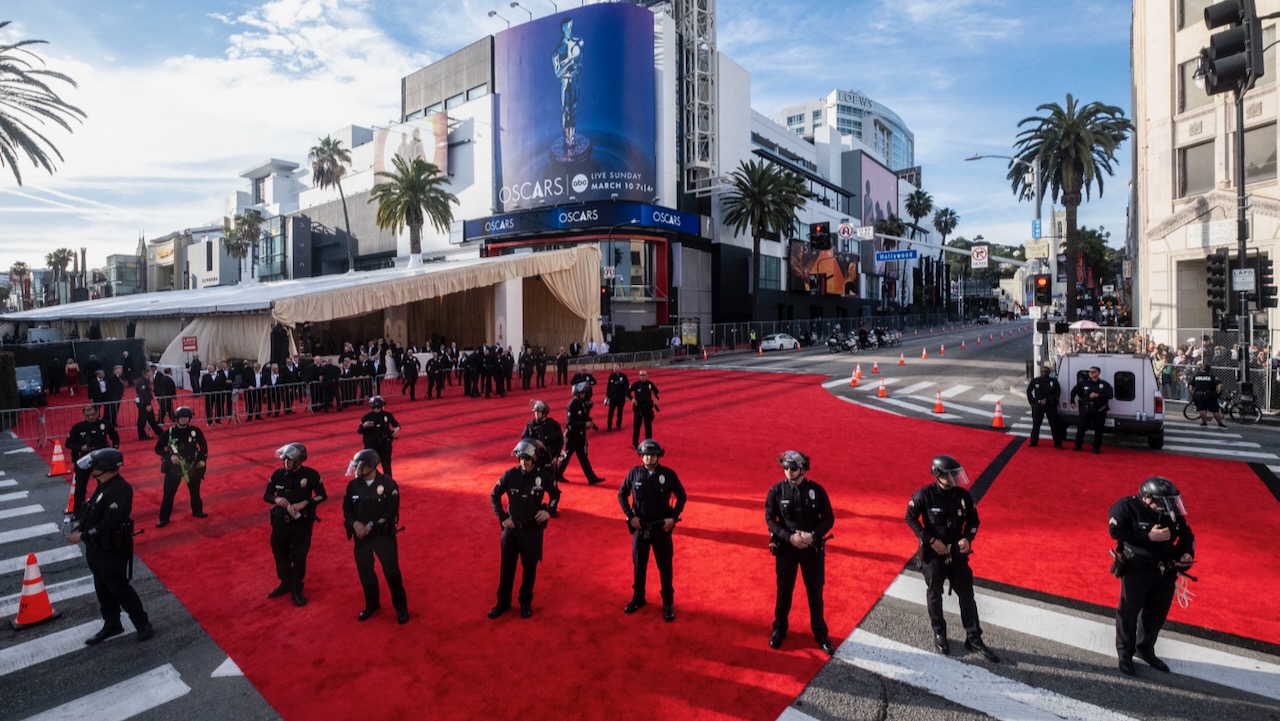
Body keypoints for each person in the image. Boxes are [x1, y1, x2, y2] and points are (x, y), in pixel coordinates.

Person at [904, 455, 999, 662]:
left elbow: (974, 521)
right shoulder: (925, 495)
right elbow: (909, 517)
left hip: (956, 554)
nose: (956, 478)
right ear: (939, 475)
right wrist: (928, 540)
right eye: (951, 474)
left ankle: (973, 637)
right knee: (934, 594)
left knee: (967, 594)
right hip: (933, 554)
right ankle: (940, 633)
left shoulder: (963, 497)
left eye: (956, 474)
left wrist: (968, 538)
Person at [67, 448, 154, 644]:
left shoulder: (119, 489)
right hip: (97, 548)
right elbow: (93, 511)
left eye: (95, 467)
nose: (92, 470)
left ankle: (142, 623)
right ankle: (112, 622)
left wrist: (83, 535)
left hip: (112, 548)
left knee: (119, 587)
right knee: (102, 587)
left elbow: (110, 523)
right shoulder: (103, 485)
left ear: (104, 468)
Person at [1109, 477, 1195, 675]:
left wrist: (1187, 553)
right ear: (1147, 499)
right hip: (1137, 568)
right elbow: (1115, 531)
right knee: (1128, 612)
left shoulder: (1171, 512)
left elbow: (1187, 534)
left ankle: (1145, 648)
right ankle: (1125, 653)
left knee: (1156, 613)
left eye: (1170, 502)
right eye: (1163, 502)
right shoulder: (1127, 507)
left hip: (1165, 569)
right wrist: (1147, 537)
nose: (1168, 507)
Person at [765, 450, 835, 655]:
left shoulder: (817, 491)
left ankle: (820, 633)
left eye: (793, 468)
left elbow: (829, 519)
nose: (788, 471)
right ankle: (779, 629)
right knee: (784, 591)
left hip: (811, 551)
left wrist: (812, 536)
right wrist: (789, 537)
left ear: (803, 469)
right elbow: (770, 519)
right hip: (787, 550)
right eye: (785, 468)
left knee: (815, 593)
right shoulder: (776, 491)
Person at [488, 439, 561, 619]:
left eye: (527, 458)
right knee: (507, 568)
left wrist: (549, 511)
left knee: (529, 568)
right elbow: (494, 495)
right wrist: (503, 517)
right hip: (511, 531)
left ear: (534, 458)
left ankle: (525, 603)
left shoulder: (543, 476)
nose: (524, 462)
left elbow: (555, 494)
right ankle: (502, 603)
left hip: (532, 531)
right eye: (521, 458)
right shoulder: (510, 475)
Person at [617, 439, 686, 622]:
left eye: (653, 455)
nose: (649, 458)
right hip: (640, 529)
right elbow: (621, 494)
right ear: (641, 456)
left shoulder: (668, 474)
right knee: (639, 565)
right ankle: (638, 597)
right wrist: (630, 516)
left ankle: (668, 603)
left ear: (658, 456)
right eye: (646, 455)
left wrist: (673, 518)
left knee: (665, 567)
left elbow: (682, 496)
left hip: (661, 529)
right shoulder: (634, 473)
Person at [343, 449, 409, 624]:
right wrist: (355, 524)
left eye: (359, 466)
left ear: (370, 466)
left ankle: (401, 606)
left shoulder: (388, 484)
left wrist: (371, 525)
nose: (356, 469)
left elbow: (391, 511)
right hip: (361, 537)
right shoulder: (353, 486)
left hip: (382, 537)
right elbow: (347, 509)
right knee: (365, 572)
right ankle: (372, 603)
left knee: (391, 572)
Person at [264, 443, 327, 607]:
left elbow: (322, 496)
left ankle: (297, 587)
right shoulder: (277, 474)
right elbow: (267, 495)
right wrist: (276, 499)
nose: (285, 463)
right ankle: (285, 582)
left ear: (298, 461)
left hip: (302, 523)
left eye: (288, 460)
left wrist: (304, 503)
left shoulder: (311, 475)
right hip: (280, 521)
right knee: (279, 551)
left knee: (299, 555)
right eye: (284, 459)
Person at [154, 406, 209, 528]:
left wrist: (202, 460)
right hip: (174, 467)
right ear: (176, 418)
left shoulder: (195, 431)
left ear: (189, 418)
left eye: (186, 417)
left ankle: (197, 511)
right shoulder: (169, 432)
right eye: (181, 417)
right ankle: (164, 518)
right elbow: (158, 448)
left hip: (191, 465)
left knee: (195, 492)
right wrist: (169, 456)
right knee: (169, 494)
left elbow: (204, 447)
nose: (183, 419)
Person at [67, 404, 120, 522]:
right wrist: (81, 447)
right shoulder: (78, 427)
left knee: (104, 485)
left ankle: (105, 508)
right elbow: (68, 443)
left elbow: (115, 438)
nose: (90, 417)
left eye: (92, 414)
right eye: (87, 415)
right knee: (80, 487)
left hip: (101, 460)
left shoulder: (105, 424)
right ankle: (78, 512)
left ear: (97, 413)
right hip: (84, 459)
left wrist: (114, 451)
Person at [558, 382, 605, 485]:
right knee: (566, 456)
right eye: (582, 393)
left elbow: (584, 417)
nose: (585, 395)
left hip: (580, 435)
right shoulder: (572, 405)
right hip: (572, 436)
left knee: (583, 457)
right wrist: (584, 424)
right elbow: (569, 423)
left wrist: (590, 423)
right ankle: (557, 474)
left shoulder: (581, 404)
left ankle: (591, 478)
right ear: (577, 393)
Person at [1069, 366, 1113, 454]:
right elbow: (1074, 391)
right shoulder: (1084, 383)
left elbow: (1110, 395)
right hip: (1086, 408)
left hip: (1099, 410)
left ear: (1098, 373)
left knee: (1098, 429)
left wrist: (1098, 395)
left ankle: (1096, 448)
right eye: (1090, 372)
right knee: (1081, 427)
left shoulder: (1104, 384)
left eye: (1093, 372)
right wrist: (1072, 401)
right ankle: (1078, 445)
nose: (1091, 373)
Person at [358, 396, 400, 478]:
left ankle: (388, 481)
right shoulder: (366, 417)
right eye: (374, 407)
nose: (376, 409)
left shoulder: (387, 415)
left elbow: (397, 425)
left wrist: (395, 430)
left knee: (386, 464)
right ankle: (370, 480)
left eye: (378, 407)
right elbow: (359, 431)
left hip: (385, 444)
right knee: (370, 464)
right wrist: (365, 426)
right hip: (371, 444)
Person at [1026, 363, 1064, 448]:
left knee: (1054, 425)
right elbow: (1029, 391)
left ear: (1049, 372)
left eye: (1046, 371)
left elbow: (1057, 393)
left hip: (1050, 405)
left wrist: (1048, 399)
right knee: (1036, 424)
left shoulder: (1053, 381)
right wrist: (1032, 402)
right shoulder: (1036, 381)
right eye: (1043, 371)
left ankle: (1058, 444)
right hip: (1038, 405)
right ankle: (1033, 442)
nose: (1044, 373)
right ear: (1040, 372)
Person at [628, 369, 660, 450]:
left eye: (644, 375)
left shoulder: (650, 384)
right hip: (638, 409)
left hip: (648, 408)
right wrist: (632, 399)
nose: (643, 377)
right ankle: (635, 443)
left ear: (647, 376)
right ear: (639, 376)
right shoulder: (636, 384)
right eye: (641, 375)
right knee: (636, 427)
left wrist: (656, 399)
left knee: (648, 427)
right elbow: (627, 392)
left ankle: (648, 442)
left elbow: (657, 391)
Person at [1190, 362, 1226, 428]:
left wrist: (1192, 393)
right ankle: (1220, 423)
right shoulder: (1211, 376)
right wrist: (1219, 393)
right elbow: (1220, 385)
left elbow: (1191, 385)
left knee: (1202, 409)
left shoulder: (1196, 376)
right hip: (1210, 395)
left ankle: (1204, 423)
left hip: (1198, 394)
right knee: (1215, 410)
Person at [133, 367, 163, 441]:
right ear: (146, 373)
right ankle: (143, 434)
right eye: (149, 372)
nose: (151, 373)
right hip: (144, 404)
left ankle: (159, 432)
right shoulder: (143, 382)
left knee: (150, 419)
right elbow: (144, 393)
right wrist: (147, 404)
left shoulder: (144, 381)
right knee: (143, 419)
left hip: (144, 403)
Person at [604, 363, 629, 432]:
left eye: (616, 368)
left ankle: (618, 425)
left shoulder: (624, 376)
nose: (615, 369)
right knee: (611, 412)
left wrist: (627, 396)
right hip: (612, 397)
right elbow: (608, 387)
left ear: (620, 368)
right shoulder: (611, 376)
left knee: (620, 412)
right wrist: (607, 396)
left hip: (621, 397)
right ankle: (609, 426)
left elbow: (627, 387)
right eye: (614, 368)